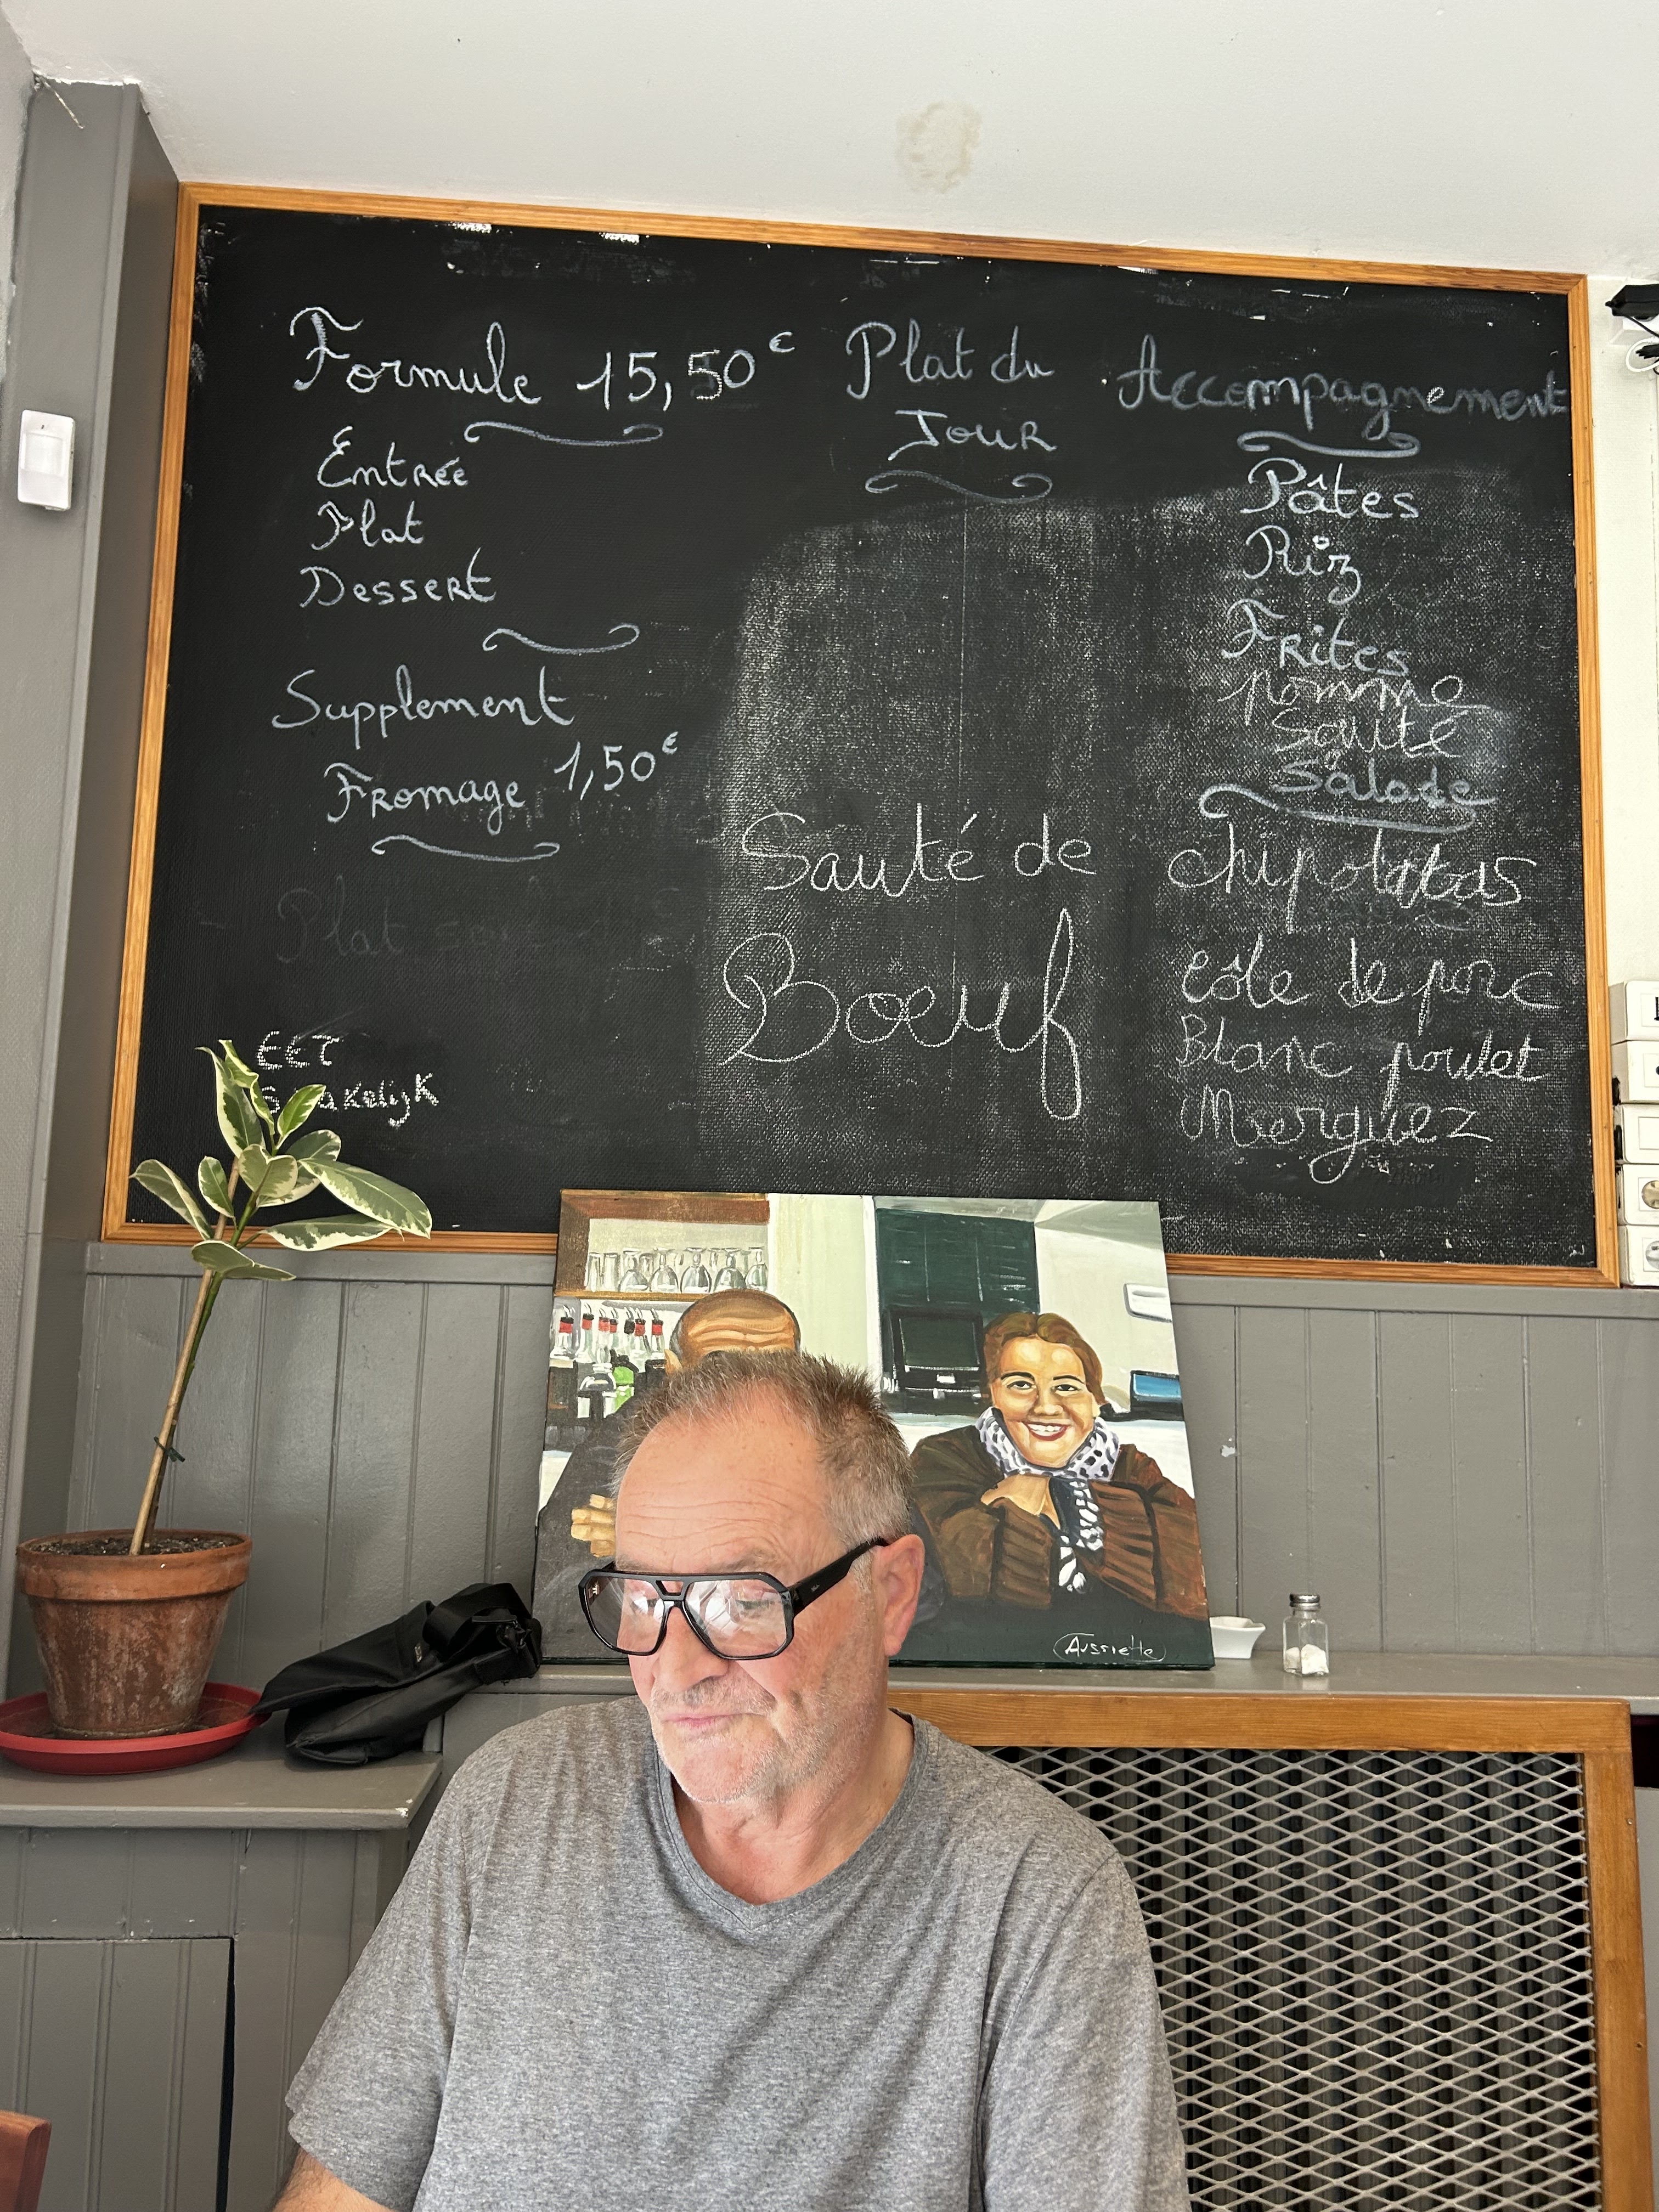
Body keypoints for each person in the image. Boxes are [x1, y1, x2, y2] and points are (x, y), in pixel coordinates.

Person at [278, 1351, 1190, 2212]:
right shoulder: (514, 1802)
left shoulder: (1036, 1894)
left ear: (892, 1593)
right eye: (643, 1597)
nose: (673, 1672)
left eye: (743, 1600)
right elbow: (342, 2187)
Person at [905, 1311, 1208, 1663]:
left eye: (1066, 1387)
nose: (1046, 1407)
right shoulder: (944, 1457)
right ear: (994, 1394)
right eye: (1021, 1385)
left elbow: (1192, 1570)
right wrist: (1119, 1522)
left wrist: (1058, 1495)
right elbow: (962, 1568)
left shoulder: (1129, 1466)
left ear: (1094, 1401)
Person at [532, 1286, 801, 1656]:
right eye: (720, 1369)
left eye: (775, 1368)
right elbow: (559, 1595)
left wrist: (655, 1548)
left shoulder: (815, 1438)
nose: (749, 1388)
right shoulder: (620, 1444)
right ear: (674, 1370)